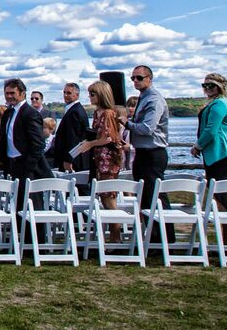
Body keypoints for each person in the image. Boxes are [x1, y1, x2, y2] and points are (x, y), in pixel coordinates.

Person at [122, 65, 172, 245]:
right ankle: (154, 237)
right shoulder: (144, 98)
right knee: (146, 197)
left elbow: (148, 129)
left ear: (150, 78)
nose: (135, 81)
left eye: (139, 78)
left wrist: (127, 124)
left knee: (155, 196)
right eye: (133, 78)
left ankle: (164, 240)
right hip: (143, 152)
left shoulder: (154, 100)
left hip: (153, 152)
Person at [0, 78, 52, 214]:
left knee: (32, 207)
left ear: (22, 93)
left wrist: (28, 166)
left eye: (12, 93)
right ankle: (19, 234)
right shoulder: (8, 113)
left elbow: (38, 144)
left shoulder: (30, 113)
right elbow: (4, 138)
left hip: (27, 167)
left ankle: (35, 235)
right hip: (12, 165)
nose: (9, 96)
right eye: (7, 93)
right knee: (17, 206)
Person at [78, 81, 124, 241]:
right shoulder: (98, 113)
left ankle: (115, 237)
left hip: (108, 159)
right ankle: (109, 236)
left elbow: (109, 137)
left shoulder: (108, 113)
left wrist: (90, 143)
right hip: (98, 158)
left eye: (93, 94)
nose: (90, 97)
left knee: (108, 197)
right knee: (102, 196)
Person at [192, 73, 227, 245]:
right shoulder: (215, 103)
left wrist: (197, 145)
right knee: (220, 198)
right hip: (214, 156)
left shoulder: (219, 104)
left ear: (220, 87)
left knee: (226, 198)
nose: (207, 89)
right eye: (205, 85)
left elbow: (211, 130)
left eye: (211, 86)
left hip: (221, 155)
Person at [51, 82, 90, 173]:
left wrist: (69, 159)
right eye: (64, 92)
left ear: (77, 95)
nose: (65, 95)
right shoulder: (73, 110)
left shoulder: (75, 112)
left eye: (69, 93)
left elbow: (73, 138)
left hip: (73, 160)